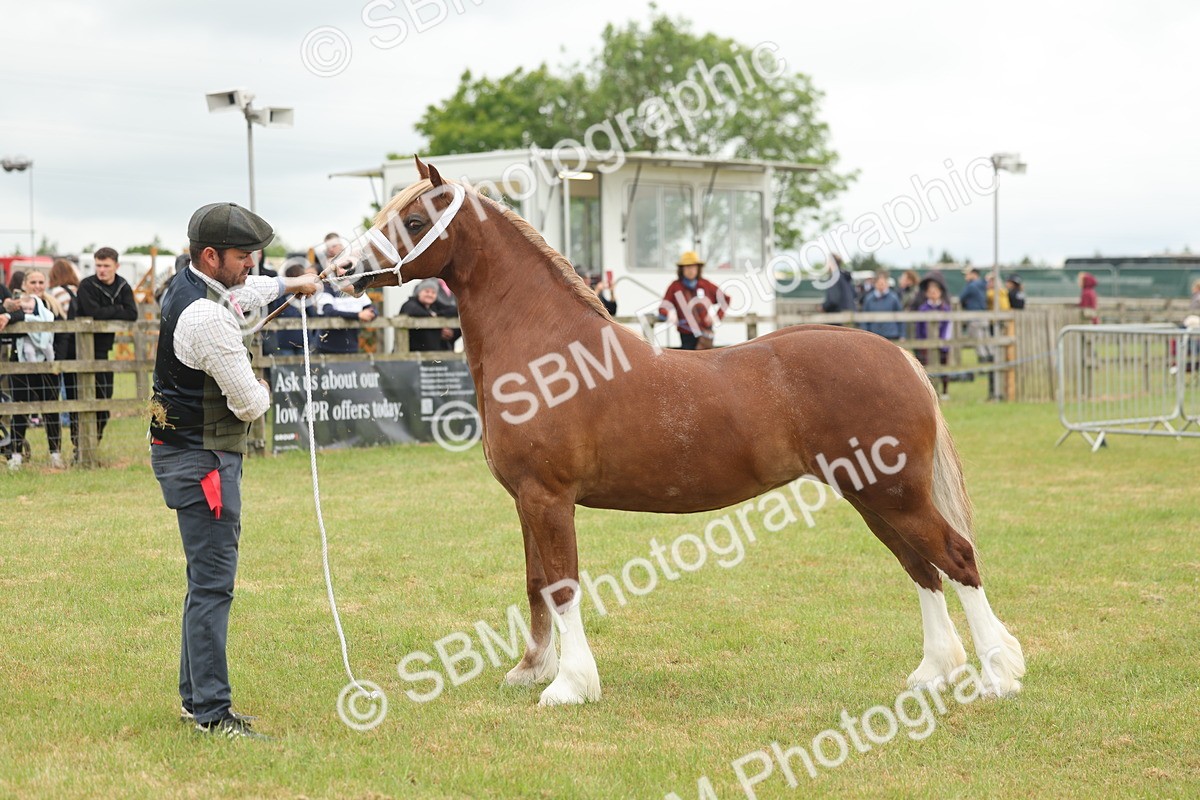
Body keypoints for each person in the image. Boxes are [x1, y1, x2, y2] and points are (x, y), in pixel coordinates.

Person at [150, 202, 319, 739]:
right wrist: (265, 388)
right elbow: (249, 404)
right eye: (243, 255)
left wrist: (293, 284)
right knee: (213, 588)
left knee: (203, 584)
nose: (251, 263)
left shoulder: (194, 288)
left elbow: (246, 294)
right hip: (205, 461)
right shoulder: (205, 317)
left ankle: (194, 700)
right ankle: (212, 714)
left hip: (188, 454)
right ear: (210, 255)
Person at [73, 247, 138, 452]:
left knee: (104, 398)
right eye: (98, 265)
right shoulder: (87, 285)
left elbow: (132, 314)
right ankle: (80, 446)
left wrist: (112, 312)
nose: (102, 270)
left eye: (106, 266)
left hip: (103, 350)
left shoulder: (122, 286)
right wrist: (117, 310)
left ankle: (93, 444)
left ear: (116, 266)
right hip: (79, 350)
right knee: (81, 400)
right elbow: (93, 312)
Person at [4, 271, 64, 470]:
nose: (37, 285)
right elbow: (15, 316)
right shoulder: (16, 303)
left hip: (48, 366)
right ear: (25, 284)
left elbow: (64, 334)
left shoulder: (52, 306)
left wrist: (57, 362)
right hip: (21, 364)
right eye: (33, 282)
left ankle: (55, 454)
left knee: (51, 410)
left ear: (45, 283)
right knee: (20, 410)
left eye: (40, 281)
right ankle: (16, 455)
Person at [656, 251, 728, 350]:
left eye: (693, 267)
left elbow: (726, 299)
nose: (690, 270)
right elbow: (663, 307)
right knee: (687, 363)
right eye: (687, 267)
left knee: (705, 363)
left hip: (704, 334)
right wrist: (669, 314)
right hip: (686, 335)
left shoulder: (706, 285)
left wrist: (716, 317)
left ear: (698, 269)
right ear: (682, 269)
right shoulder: (675, 286)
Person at [916, 272, 953, 399]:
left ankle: (945, 391)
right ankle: (928, 391)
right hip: (926, 342)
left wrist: (944, 342)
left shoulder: (945, 308)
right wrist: (921, 342)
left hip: (942, 342)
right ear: (926, 293)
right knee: (926, 367)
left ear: (940, 292)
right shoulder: (923, 309)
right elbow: (919, 327)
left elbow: (948, 325)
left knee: (943, 365)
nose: (933, 293)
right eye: (930, 291)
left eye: (935, 291)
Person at [315, 279, 377, 354]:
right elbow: (329, 312)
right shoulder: (327, 290)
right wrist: (358, 315)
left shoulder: (357, 291)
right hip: (326, 347)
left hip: (351, 346)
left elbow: (373, 310)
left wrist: (371, 313)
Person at [400, 278, 461, 352]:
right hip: (414, 352)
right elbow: (415, 311)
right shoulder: (410, 304)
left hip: (435, 354)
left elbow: (455, 310)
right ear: (419, 292)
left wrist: (438, 315)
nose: (430, 295)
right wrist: (438, 328)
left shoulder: (435, 306)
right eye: (427, 291)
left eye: (433, 292)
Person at [860, 270, 903, 341]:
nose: (881, 285)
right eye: (879, 283)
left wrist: (902, 334)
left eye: (883, 283)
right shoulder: (869, 299)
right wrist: (865, 333)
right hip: (874, 335)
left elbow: (900, 317)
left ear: (887, 284)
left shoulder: (894, 298)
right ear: (875, 284)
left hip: (891, 334)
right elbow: (864, 318)